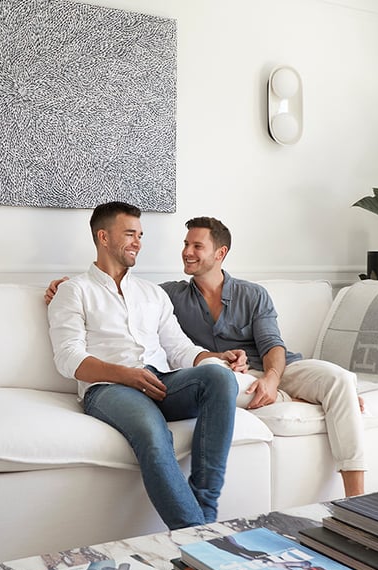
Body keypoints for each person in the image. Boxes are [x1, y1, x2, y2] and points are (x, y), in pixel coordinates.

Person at [46, 216, 366, 497]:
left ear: (220, 253)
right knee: (222, 378)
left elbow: (273, 346)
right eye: (186, 244)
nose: (186, 252)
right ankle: (311, 399)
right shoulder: (171, 294)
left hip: (279, 368)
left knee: (337, 379)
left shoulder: (252, 294)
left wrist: (271, 379)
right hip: (230, 375)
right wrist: (64, 286)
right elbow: (121, 293)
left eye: (197, 246)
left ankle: (356, 499)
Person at [47, 202, 243, 530]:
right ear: (103, 237)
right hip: (110, 389)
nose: (138, 241)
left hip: (160, 380)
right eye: (129, 234)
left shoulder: (153, 293)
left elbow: (179, 348)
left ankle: (205, 513)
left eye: (140, 235)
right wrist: (125, 375)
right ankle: (197, 537)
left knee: (220, 379)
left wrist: (215, 358)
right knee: (153, 434)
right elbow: (68, 358)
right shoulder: (74, 291)